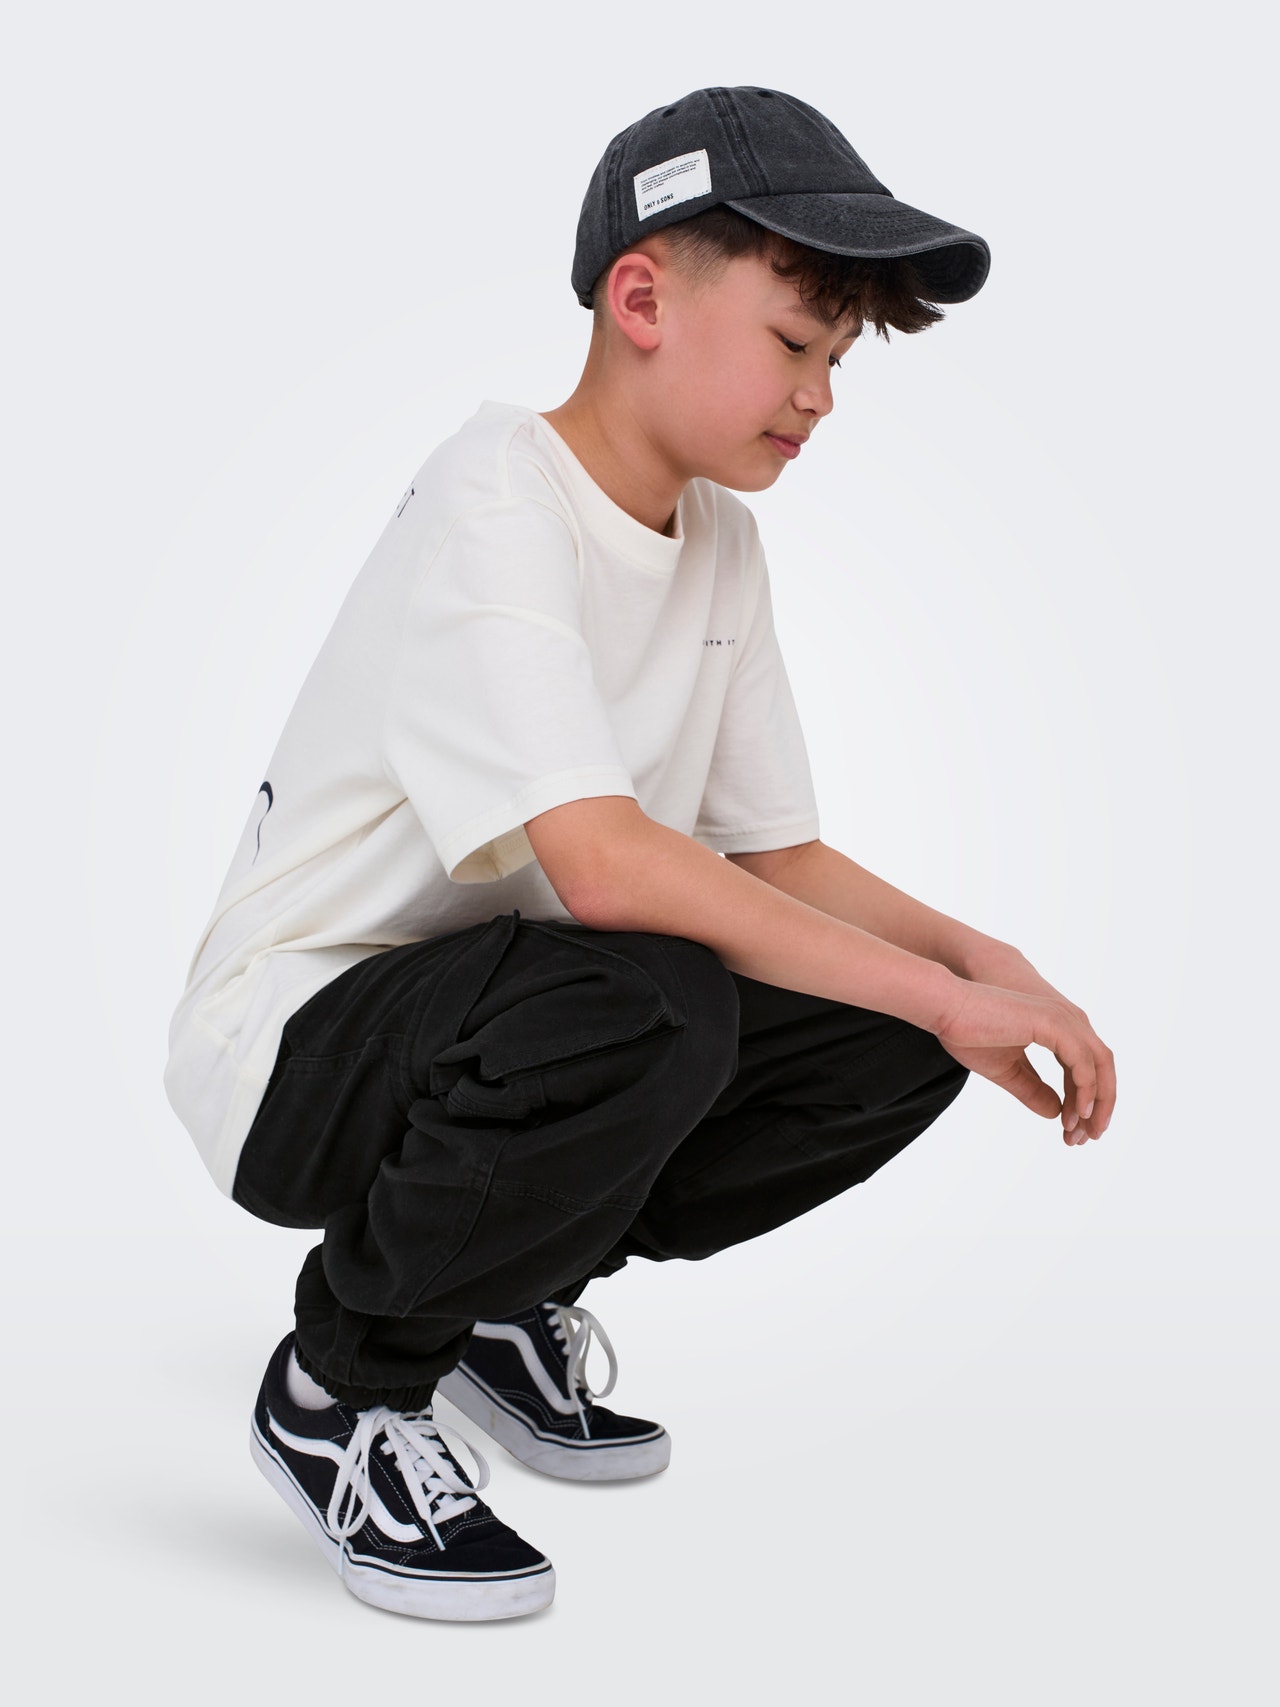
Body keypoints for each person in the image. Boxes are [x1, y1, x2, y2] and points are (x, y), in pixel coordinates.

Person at [165, 85, 1115, 1624]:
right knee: (653, 992)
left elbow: (775, 859)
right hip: (295, 1049)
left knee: (880, 1026)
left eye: (839, 360)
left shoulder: (722, 542)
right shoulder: (496, 494)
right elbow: (606, 867)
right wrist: (945, 990)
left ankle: (496, 1296)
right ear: (643, 298)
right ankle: (342, 1386)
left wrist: (971, 968)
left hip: (508, 1022)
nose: (821, 395)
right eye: (797, 343)